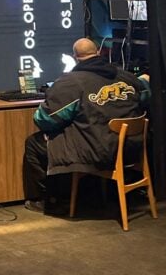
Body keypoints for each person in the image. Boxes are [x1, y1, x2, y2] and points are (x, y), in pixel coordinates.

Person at [22, 37, 150, 213]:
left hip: (98, 152)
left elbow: (45, 119)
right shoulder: (126, 76)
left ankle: (46, 201)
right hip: (132, 149)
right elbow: (145, 95)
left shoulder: (71, 83)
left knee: (34, 143)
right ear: (98, 53)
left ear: (75, 57)